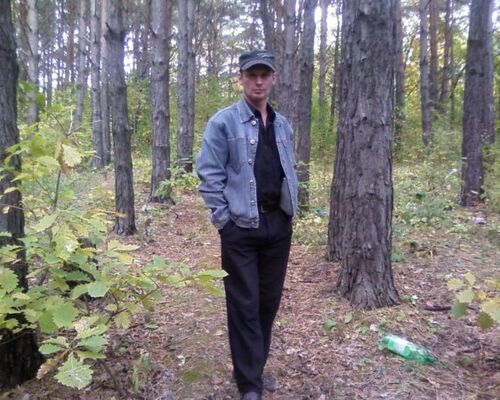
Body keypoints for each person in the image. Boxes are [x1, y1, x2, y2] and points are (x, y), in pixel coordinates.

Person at [195, 50, 298, 400]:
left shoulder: (282, 125)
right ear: (240, 78)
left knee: (267, 304)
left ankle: (253, 367)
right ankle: (249, 384)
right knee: (244, 305)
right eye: (251, 75)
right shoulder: (223, 123)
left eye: (264, 75)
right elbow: (209, 173)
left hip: (278, 226)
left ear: (273, 79)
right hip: (240, 226)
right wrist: (224, 220)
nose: (258, 81)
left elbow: (287, 169)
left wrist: (289, 214)